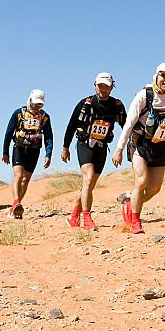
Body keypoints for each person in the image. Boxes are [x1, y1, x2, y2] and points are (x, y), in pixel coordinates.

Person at [111, 63, 165, 235]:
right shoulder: (143, 96)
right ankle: (136, 222)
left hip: (160, 145)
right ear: (157, 76)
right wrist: (119, 149)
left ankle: (130, 206)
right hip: (140, 143)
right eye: (164, 76)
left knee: (154, 189)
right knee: (141, 181)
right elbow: (129, 124)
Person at [62, 73, 127, 230]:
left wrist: (124, 147)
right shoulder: (86, 103)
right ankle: (87, 218)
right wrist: (65, 147)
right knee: (88, 178)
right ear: (95, 85)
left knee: (89, 185)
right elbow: (71, 125)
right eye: (100, 86)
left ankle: (73, 216)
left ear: (112, 86)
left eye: (106, 86)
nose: (103, 89)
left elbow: (126, 126)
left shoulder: (117, 105)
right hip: (85, 144)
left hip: (102, 147)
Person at [2, 89, 53, 219]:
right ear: (30, 100)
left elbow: (48, 137)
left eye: (40, 104)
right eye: (36, 103)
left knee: (26, 179)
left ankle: (15, 208)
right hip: (19, 148)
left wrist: (48, 153)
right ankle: (16, 203)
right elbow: (8, 132)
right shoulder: (18, 113)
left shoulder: (45, 117)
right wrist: (5, 151)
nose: (37, 106)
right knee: (18, 176)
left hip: (34, 150)